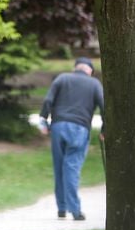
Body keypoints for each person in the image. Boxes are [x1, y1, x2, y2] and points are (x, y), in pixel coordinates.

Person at [39, 57, 104, 221]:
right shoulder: (94, 84)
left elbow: (48, 100)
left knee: (59, 167)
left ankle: (61, 208)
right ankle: (75, 210)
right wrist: (105, 129)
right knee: (72, 168)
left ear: (75, 68)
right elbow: (104, 107)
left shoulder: (62, 78)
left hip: (58, 127)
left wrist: (43, 121)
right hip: (79, 129)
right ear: (90, 70)